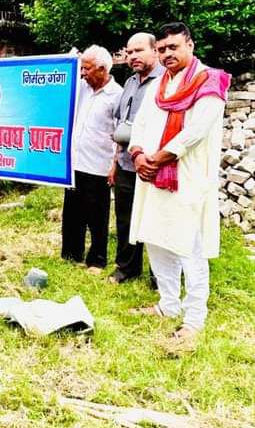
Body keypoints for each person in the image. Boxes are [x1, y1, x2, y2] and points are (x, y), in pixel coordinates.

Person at [128, 22, 230, 349]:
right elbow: (141, 123)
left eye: (173, 47)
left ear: (190, 45)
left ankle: (194, 318)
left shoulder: (209, 81)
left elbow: (197, 130)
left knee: (190, 249)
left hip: (188, 180)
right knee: (158, 241)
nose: (167, 54)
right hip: (154, 176)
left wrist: (158, 157)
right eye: (162, 49)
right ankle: (167, 304)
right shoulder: (161, 85)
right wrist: (139, 153)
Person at [107, 33, 164, 285]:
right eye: (129, 53)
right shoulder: (129, 82)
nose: (132, 57)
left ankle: (160, 276)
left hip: (155, 165)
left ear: (155, 51)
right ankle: (127, 269)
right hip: (126, 164)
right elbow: (121, 123)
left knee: (157, 220)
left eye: (138, 51)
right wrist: (114, 162)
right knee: (126, 219)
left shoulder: (166, 81)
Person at [61, 45, 122, 272]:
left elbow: (120, 133)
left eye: (87, 69)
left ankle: (97, 260)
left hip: (99, 165)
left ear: (102, 69)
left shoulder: (117, 95)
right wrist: (73, 59)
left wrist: (114, 165)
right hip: (76, 162)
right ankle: (71, 254)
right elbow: (65, 73)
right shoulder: (83, 89)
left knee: (97, 216)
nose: (83, 73)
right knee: (72, 211)